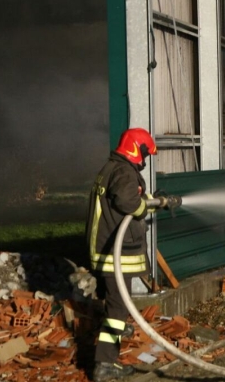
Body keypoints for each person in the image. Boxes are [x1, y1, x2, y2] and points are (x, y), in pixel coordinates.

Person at [85, 128, 157, 381]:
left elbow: (128, 197)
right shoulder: (125, 171)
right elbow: (128, 202)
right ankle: (104, 364)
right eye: (145, 152)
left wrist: (156, 201)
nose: (145, 159)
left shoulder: (112, 168)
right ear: (136, 148)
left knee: (115, 304)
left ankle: (111, 348)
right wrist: (141, 209)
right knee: (117, 307)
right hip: (116, 250)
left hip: (104, 246)